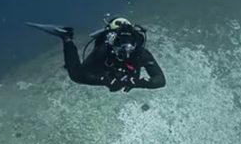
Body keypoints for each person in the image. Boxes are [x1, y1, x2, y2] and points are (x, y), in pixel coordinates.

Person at [27, 17, 166, 92]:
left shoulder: (141, 52)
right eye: (119, 42)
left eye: (129, 43)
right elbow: (81, 74)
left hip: (128, 75)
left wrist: (135, 82)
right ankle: (66, 38)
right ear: (111, 39)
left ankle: (66, 38)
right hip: (104, 69)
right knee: (75, 75)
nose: (125, 48)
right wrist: (105, 80)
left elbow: (160, 80)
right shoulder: (104, 50)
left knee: (128, 76)